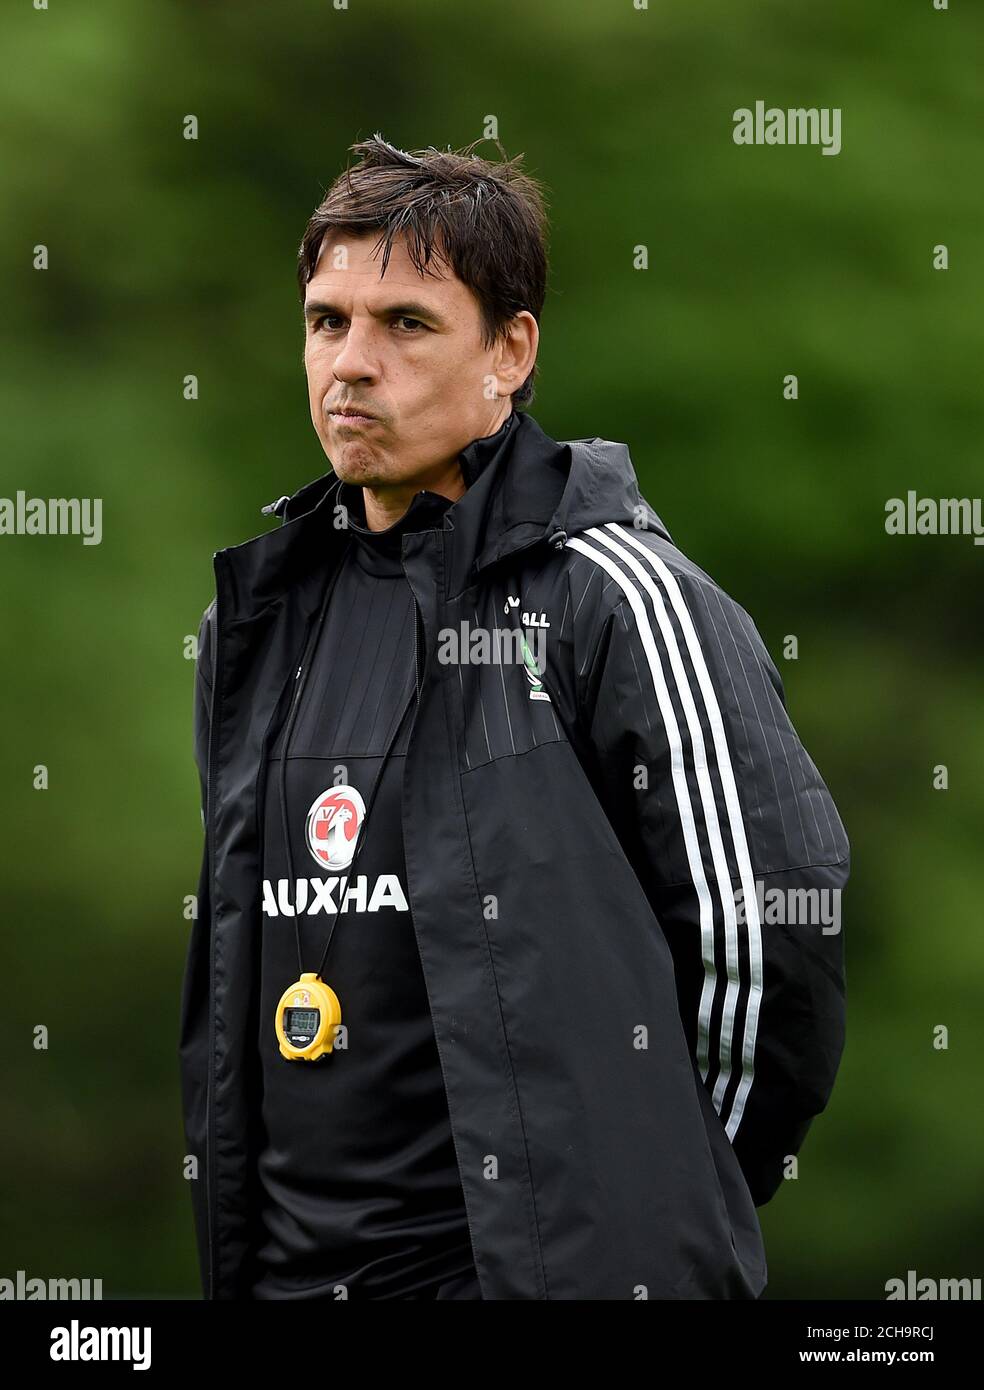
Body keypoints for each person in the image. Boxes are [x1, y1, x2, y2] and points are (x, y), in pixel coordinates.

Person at [179, 133, 850, 1301]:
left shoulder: (615, 595)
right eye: (327, 320)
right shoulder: (256, 621)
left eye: (406, 324)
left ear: (511, 349)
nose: (351, 363)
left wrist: (658, 1191)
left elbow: (769, 946)